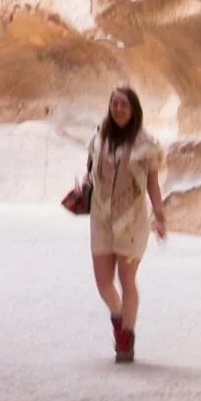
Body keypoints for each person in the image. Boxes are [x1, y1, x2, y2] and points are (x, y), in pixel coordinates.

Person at [68, 84, 166, 362]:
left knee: (126, 278)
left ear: (134, 109)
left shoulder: (146, 145)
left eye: (124, 104)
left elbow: (152, 184)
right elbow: (90, 168)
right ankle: (120, 317)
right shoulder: (99, 137)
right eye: (115, 104)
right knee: (103, 282)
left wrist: (159, 216)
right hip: (101, 216)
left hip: (131, 219)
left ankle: (127, 336)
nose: (118, 109)